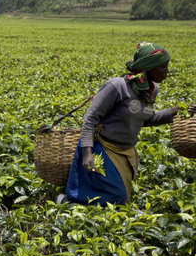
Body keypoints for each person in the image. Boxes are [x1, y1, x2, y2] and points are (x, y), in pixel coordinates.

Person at [66, 41, 191, 205]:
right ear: (148, 67)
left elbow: (145, 120)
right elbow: (91, 119)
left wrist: (174, 112)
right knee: (115, 196)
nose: (167, 71)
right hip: (103, 148)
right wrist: (87, 152)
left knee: (121, 199)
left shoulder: (152, 90)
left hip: (125, 151)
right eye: (163, 67)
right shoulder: (117, 87)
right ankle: (66, 203)